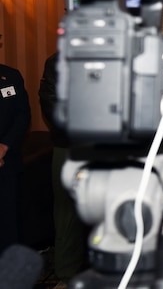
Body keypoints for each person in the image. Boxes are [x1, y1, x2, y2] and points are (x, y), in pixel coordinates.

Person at [38, 52, 88, 283]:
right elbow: (49, 102)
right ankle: (67, 274)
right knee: (67, 213)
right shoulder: (57, 61)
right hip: (69, 146)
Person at [0, 63, 31, 255]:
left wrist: (4, 146)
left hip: (7, 164)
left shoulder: (10, 76)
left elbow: (23, 115)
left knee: (9, 226)